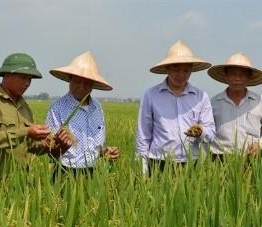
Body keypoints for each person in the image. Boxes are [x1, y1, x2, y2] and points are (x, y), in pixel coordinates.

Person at [0, 52, 72, 177]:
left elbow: (30, 146)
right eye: (23, 77)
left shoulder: (24, 107)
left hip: (19, 183)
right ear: (7, 74)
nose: (27, 83)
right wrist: (26, 131)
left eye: (30, 79)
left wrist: (52, 143)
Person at [135, 40, 215, 175]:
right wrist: (143, 170)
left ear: (191, 70)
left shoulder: (201, 97)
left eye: (186, 70)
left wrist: (201, 131)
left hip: (191, 162)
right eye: (176, 69)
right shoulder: (151, 95)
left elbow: (211, 133)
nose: (181, 75)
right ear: (167, 69)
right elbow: (143, 134)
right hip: (158, 162)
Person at [45, 51, 119, 177]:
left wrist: (107, 151)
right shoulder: (57, 108)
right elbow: (50, 152)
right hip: (65, 173)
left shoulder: (97, 108)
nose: (82, 86)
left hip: (93, 174)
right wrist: (62, 146)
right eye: (78, 81)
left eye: (87, 82)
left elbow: (95, 148)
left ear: (93, 85)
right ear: (70, 79)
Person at [207, 52, 262, 159]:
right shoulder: (213, 103)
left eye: (243, 74)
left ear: (249, 77)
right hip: (220, 158)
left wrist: (259, 144)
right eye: (233, 74)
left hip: (252, 157)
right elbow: (207, 130)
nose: (237, 78)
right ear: (226, 76)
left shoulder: (259, 102)